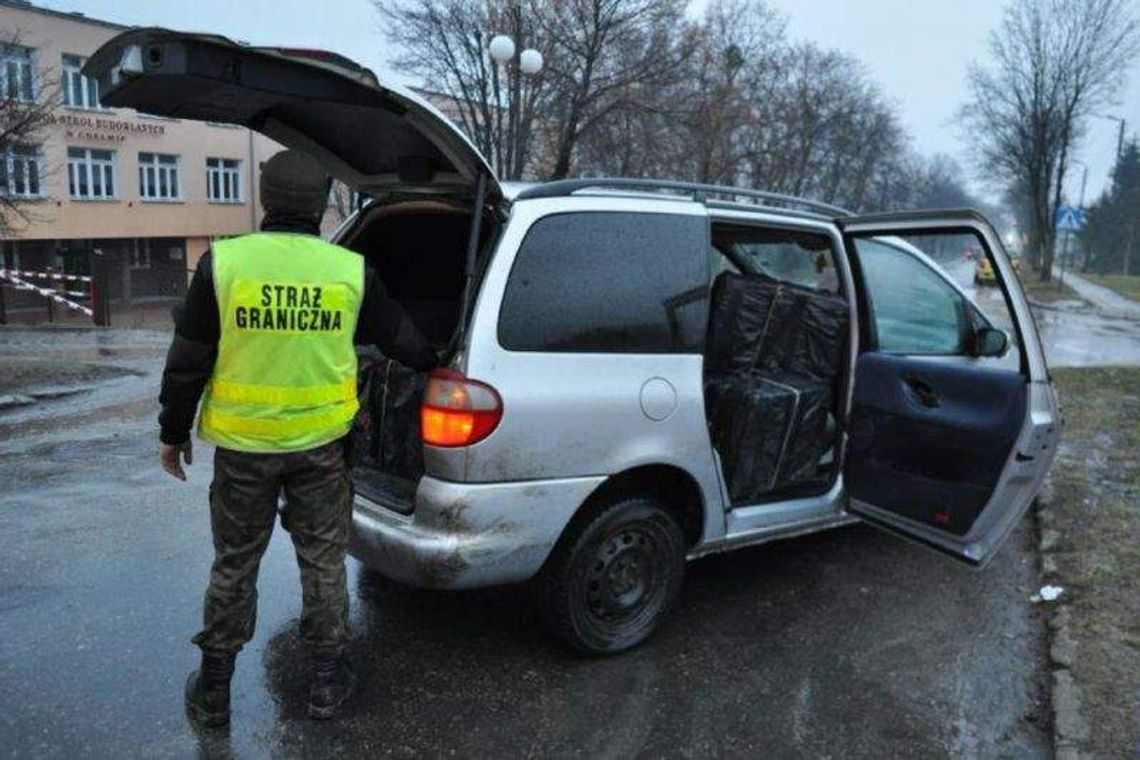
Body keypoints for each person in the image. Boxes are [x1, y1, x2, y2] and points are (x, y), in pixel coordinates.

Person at [158, 150, 437, 726]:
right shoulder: (349, 271)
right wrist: (440, 355)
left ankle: (213, 691)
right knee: (323, 562)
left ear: (266, 197)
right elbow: (406, 345)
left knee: (234, 564)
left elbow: (187, 359)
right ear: (318, 203)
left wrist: (173, 430)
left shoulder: (225, 263)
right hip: (321, 451)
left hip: (243, 451)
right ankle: (327, 685)